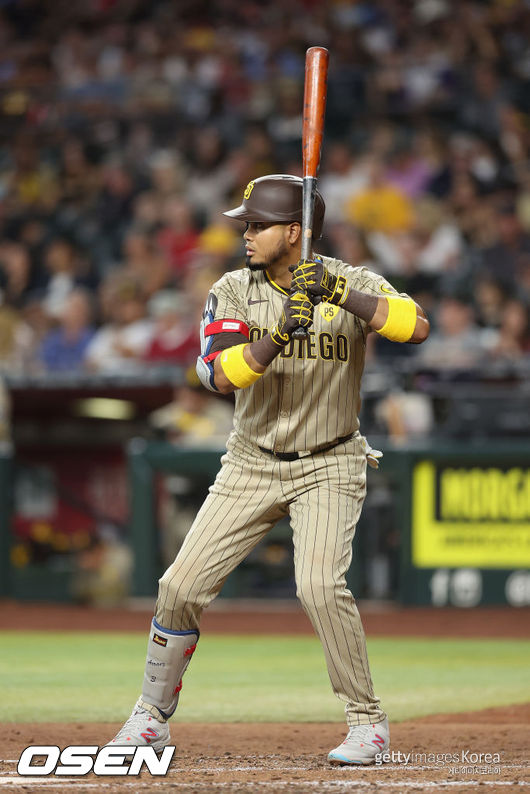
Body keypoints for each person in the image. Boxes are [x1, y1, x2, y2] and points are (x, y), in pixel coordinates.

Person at [107, 174, 430, 765]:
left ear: (294, 233)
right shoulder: (233, 288)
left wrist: (337, 293)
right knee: (178, 586)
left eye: (256, 225)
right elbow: (219, 376)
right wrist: (280, 335)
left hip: (329, 460)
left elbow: (416, 327)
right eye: (246, 224)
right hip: (250, 460)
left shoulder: (351, 279)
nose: (246, 234)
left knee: (318, 586)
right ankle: (150, 717)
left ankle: (367, 723)